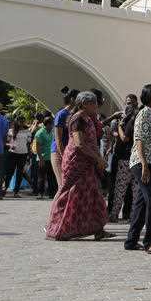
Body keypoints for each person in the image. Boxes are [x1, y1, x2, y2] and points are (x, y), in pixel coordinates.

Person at [45, 91, 114, 241]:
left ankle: (98, 229)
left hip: (88, 162)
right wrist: (98, 159)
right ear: (84, 104)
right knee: (69, 194)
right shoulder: (78, 119)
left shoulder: (88, 118)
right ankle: (58, 229)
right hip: (77, 162)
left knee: (93, 194)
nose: (96, 106)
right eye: (94, 103)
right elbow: (79, 144)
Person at [124, 84, 151, 255]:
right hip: (144, 163)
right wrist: (144, 165)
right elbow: (139, 140)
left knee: (141, 203)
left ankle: (131, 240)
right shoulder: (144, 114)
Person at [109, 94, 138, 222]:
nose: (129, 105)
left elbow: (124, 138)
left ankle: (116, 215)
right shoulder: (132, 117)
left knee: (121, 188)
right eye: (127, 103)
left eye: (131, 103)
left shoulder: (131, 118)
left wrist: (120, 127)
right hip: (134, 158)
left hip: (127, 158)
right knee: (134, 190)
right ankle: (132, 216)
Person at [52, 88, 79, 188]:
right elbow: (58, 138)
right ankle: (57, 204)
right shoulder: (61, 114)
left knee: (69, 186)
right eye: (78, 98)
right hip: (59, 152)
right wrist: (64, 155)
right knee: (63, 186)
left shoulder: (75, 114)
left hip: (69, 153)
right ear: (72, 99)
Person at [6, 118, 32, 198]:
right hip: (12, 154)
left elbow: (28, 143)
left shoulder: (27, 132)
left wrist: (28, 154)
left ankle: (16, 192)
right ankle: (4, 189)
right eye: (20, 121)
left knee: (20, 173)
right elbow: (6, 142)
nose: (21, 123)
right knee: (10, 172)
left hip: (23, 154)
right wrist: (10, 145)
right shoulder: (11, 131)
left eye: (22, 121)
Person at [34, 117, 56, 198]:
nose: (53, 126)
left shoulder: (51, 132)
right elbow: (37, 147)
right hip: (42, 158)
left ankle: (51, 193)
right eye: (51, 124)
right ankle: (40, 193)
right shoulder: (40, 133)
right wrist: (41, 159)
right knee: (41, 177)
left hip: (50, 157)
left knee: (51, 177)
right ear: (48, 124)